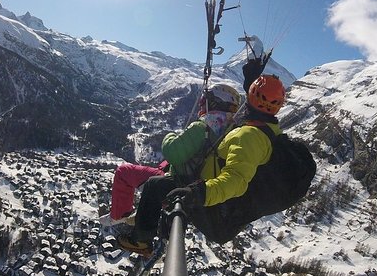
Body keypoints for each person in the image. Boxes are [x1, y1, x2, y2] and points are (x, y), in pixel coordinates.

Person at [118, 73, 286, 254]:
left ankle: (140, 240)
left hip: (199, 186)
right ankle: (157, 224)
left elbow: (174, 153)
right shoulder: (241, 124)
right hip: (207, 182)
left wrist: (170, 137)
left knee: (154, 185)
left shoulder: (220, 127)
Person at [99, 84, 242, 227]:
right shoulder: (232, 129)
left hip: (180, 182)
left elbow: (173, 152)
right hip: (201, 184)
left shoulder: (204, 126)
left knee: (124, 172)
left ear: (213, 102)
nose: (201, 107)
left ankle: (118, 215)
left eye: (204, 102)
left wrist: (170, 136)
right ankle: (142, 212)